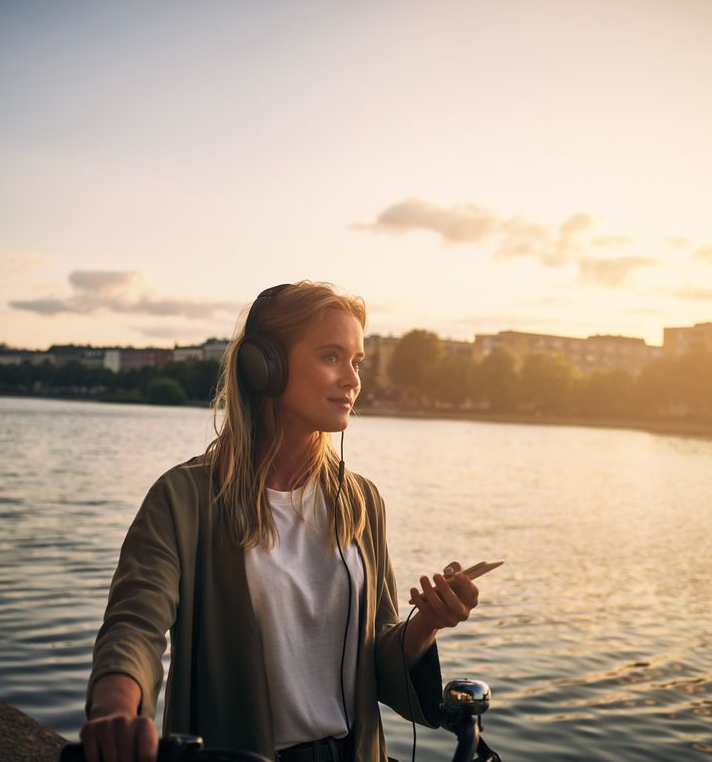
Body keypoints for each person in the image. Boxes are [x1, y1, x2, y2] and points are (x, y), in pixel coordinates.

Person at [80, 281, 480, 762]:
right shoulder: (184, 498)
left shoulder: (363, 502)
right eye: (332, 356)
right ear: (262, 366)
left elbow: (378, 653)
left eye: (357, 362)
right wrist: (115, 711)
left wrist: (428, 624)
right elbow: (135, 626)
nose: (353, 380)